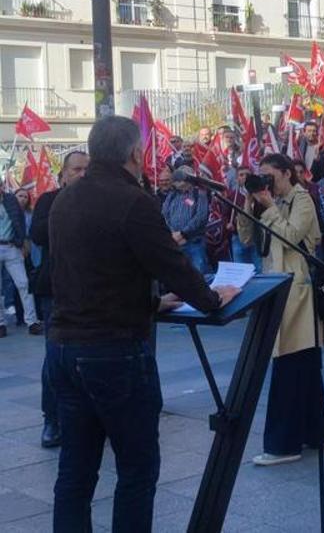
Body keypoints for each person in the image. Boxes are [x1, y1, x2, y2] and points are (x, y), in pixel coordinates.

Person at [48, 116, 238, 530]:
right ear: (135, 153)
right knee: (137, 470)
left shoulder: (64, 199)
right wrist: (212, 298)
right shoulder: (132, 201)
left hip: (63, 347)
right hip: (114, 351)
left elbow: (86, 274)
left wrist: (153, 303)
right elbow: (172, 265)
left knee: (75, 472)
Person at [237, 153, 324, 466]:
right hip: (278, 285)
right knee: (304, 365)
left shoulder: (301, 199)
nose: (266, 182)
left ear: (287, 173)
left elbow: (290, 237)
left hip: (297, 291)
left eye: (270, 175)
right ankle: (317, 432)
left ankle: (283, 445)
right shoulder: (272, 202)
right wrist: (250, 202)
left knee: (289, 365)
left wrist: (269, 206)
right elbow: (246, 237)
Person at [29, 150, 88, 449]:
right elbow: (38, 234)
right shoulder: (50, 200)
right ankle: (51, 419)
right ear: (63, 174)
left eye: (87, 169)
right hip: (56, 290)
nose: (82, 174)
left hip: (92, 290)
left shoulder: (100, 201)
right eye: (76, 169)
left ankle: (89, 418)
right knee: (55, 355)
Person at [161, 167, 211, 274]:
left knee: (199, 274)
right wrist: (173, 233)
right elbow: (164, 214)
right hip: (176, 243)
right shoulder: (172, 194)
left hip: (194, 243)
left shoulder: (199, 193)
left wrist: (183, 234)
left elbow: (201, 216)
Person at [0, 184, 35, 336]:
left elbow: (19, 220)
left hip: (11, 246)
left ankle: (32, 322)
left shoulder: (10, 200)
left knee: (24, 283)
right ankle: (1, 324)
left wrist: (22, 241)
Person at [229, 166, 262, 271]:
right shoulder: (232, 195)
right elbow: (225, 213)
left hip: (255, 236)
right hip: (237, 237)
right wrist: (228, 224)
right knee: (241, 270)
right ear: (237, 178)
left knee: (259, 269)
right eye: (241, 175)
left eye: (247, 174)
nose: (244, 177)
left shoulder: (258, 194)